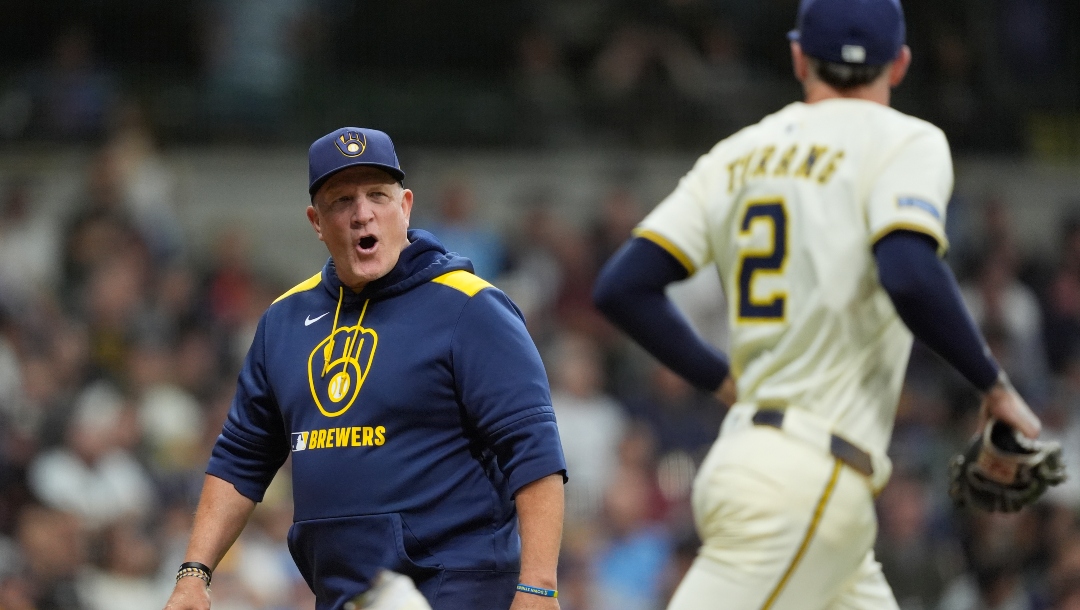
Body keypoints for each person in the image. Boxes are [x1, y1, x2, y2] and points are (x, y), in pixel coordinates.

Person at [593, 1, 1047, 608]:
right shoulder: (905, 139)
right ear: (902, 63)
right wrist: (992, 385)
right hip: (808, 480)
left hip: (774, 467)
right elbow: (909, 273)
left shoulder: (739, 152)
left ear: (799, 56)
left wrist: (721, 379)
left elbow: (623, 287)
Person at [163, 127, 567, 610]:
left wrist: (539, 585)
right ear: (316, 221)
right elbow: (240, 458)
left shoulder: (470, 308)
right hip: (343, 594)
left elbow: (534, 449)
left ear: (406, 206)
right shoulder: (285, 321)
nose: (362, 214)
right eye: (341, 200)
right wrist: (194, 573)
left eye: (378, 195)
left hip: (458, 586)